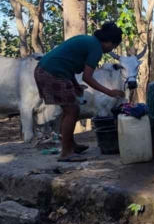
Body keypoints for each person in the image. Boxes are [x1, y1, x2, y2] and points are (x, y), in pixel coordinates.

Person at [34, 22, 126, 162]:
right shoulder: (96, 49)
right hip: (52, 73)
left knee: (68, 109)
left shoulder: (88, 41)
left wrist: (75, 84)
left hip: (45, 70)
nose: (112, 49)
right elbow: (87, 77)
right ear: (107, 42)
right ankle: (66, 152)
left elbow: (66, 63)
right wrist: (109, 92)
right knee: (73, 110)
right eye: (114, 46)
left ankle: (71, 145)